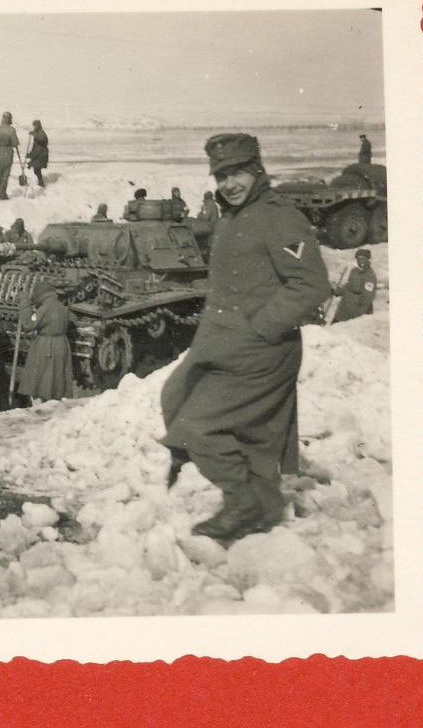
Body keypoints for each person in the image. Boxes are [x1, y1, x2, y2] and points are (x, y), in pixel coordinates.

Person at [160, 134, 330, 545]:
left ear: (256, 170)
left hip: (261, 350)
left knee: (196, 427)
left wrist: (261, 327)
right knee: (177, 396)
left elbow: (311, 284)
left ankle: (244, 502)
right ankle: (265, 505)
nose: (229, 184)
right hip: (225, 345)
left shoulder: (279, 216)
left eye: (237, 173)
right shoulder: (233, 216)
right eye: (221, 176)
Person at [17, 281, 74, 402]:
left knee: (41, 379)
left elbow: (28, 324)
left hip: (47, 346)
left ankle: (40, 408)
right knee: (56, 380)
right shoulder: (62, 306)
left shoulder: (45, 308)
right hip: (62, 344)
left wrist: (24, 303)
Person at [332, 248, 377, 323]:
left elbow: (368, 297)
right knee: (334, 329)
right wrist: (337, 291)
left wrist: (360, 314)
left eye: (363, 259)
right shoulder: (354, 271)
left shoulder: (370, 275)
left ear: (368, 259)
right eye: (358, 259)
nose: (360, 261)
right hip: (345, 307)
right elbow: (348, 286)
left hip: (357, 310)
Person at [0, 111, 20, 200]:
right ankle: (2, 193)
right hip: (7, 152)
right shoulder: (11, 130)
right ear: (9, 120)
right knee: (5, 173)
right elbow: (15, 143)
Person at [26, 119, 49, 187]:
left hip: (41, 153)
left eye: (35, 125)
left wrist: (34, 134)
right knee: (36, 169)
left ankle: (41, 182)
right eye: (34, 126)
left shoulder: (42, 133)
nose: (34, 127)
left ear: (38, 125)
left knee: (36, 169)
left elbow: (41, 139)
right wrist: (30, 155)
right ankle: (40, 182)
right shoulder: (38, 132)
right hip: (38, 153)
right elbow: (34, 147)